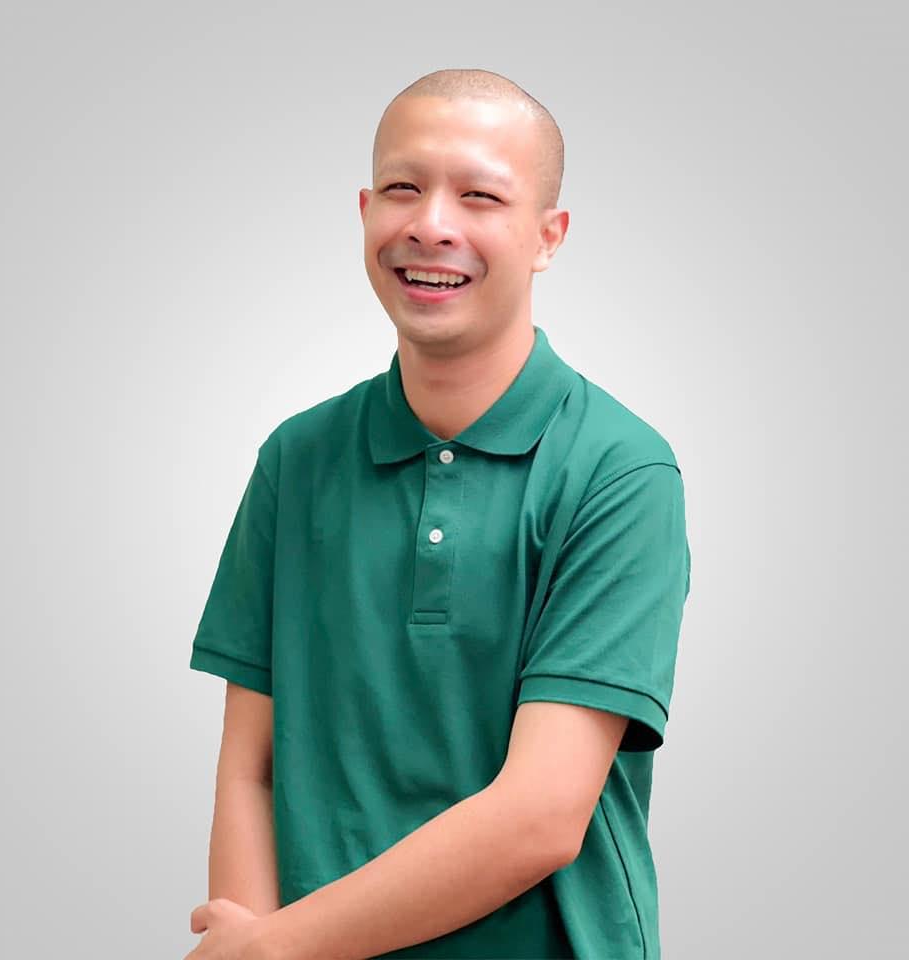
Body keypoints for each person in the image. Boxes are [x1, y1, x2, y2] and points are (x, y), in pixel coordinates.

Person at [185, 68, 692, 960]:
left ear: (548, 236)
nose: (431, 224)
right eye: (402, 188)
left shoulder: (619, 471)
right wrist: (253, 946)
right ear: (364, 211)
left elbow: (540, 816)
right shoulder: (297, 460)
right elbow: (250, 770)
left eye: (480, 196)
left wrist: (276, 949)